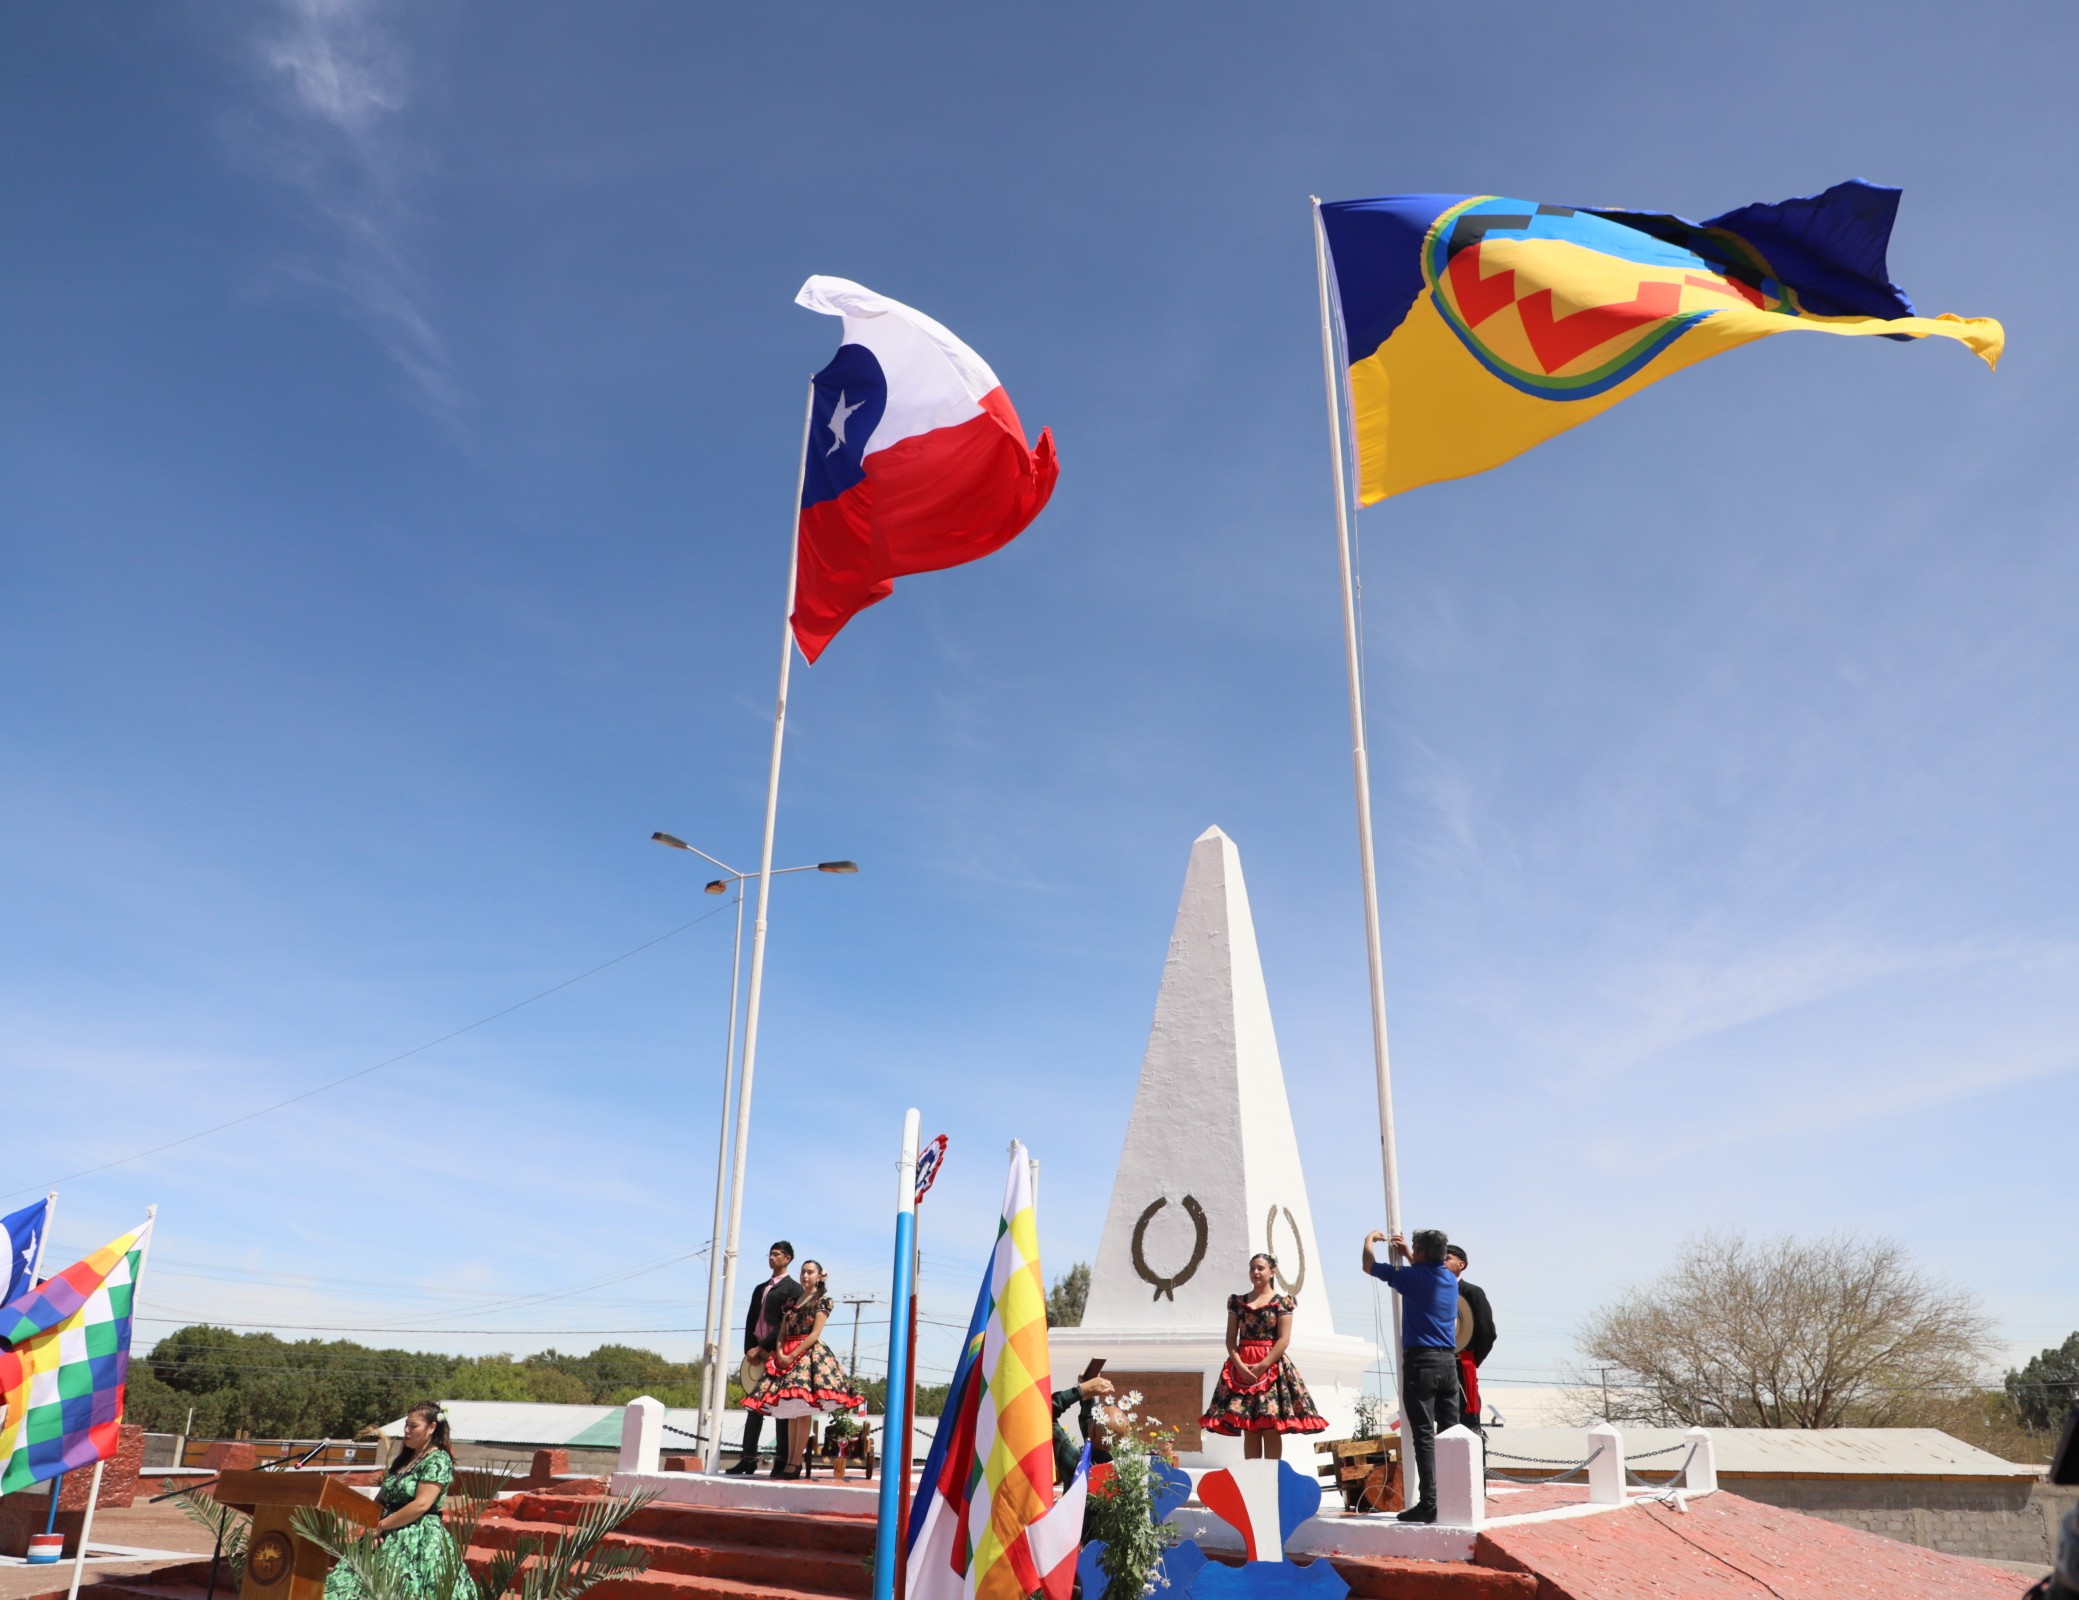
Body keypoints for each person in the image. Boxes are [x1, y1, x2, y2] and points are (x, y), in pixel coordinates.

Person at [324, 1401, 469, 1600]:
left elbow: (421, 1504)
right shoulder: (402, 1461)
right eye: (406, 1425)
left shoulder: (438, 1459)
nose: (407, 1431)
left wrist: (382, 1525)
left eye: (413, 1426)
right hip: (380, 1533)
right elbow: (381, 1497)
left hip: (417, 1537)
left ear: (432, 1427)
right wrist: (371, 1525)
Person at [1363, 1227, 1458, 1524]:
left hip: (1422, 1363)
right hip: (1448, 1364)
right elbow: (1426, 1267)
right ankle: (1454, 1500)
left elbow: (1369, 1266)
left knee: (1424, 1436)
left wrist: (1369, 1241)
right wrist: (1408, 1253)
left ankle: (1429, 1503)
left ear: (1421, 1254)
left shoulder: (1413, 1278)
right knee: (1450, 1436)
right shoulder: (1448, 1278)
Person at [739, 1259, 866, 1478]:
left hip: (807, 1354)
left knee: (803, 1408)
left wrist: (792, 1355)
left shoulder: (823, 1301)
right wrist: (780, 1352)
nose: (805, 1276)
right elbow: (782, 1331)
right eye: (803, 1272)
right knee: (791, 1411)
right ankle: (789, 1461)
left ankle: (795, 1462)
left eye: (810, 1272)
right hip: (786, 1351)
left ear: (819, 1276)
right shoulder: (792, 1302)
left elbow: (815, 1334)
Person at [1199, 1252, 1328, 1458]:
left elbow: (1284, 1339)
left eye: (1260, 1268)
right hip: (1242, 1367)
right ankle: (1252, 1481)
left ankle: (1271, 1479)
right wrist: (1241, 1366)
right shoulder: (1237, 1302)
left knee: (1270, 1427)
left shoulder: (1282, 1302)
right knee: (1250, 1427)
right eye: (1252, 1268)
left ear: (1272, 1271)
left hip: (1272, 1367)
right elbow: (1231, 1339)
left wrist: (1263, 1365)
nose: (1256, 1272)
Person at [726, 1241, 801, 1475]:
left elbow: (786, 1324)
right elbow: (751, 1320)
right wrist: (750, 1349)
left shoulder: (793, 1289)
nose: (772, 1258)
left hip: (778, 1352)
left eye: (777, 1254)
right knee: (754, 1406)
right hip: (756, 1352)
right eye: (770, 1254)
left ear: (788, 1258)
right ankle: (748, 1459)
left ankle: (781, 1461)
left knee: (780, 1407)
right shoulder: (761, 1288)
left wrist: (764, 1347)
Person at [1444, 1245, 1496, 1435]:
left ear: (1461, 1264)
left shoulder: (1472, 1292)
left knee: (1467, 1421)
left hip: (1462, 1362)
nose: (1442, 1262)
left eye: (1447, 1258)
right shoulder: (1433, 1291)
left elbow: (1487, 1332)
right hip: (1438, 1362)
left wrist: (1472, 1359)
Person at [1051, 1366, 1116, 1487]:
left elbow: (1044, 1414)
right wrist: (1088, 1397)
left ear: (1092, 1432)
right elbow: (1092, 1435)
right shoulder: (1126, 1469)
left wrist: (1082, 1390)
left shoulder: (1077, 1466)